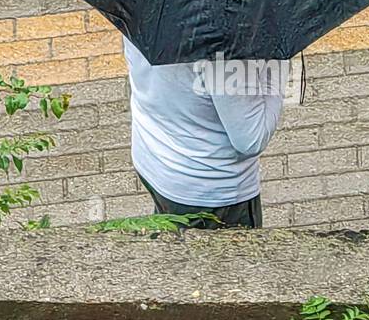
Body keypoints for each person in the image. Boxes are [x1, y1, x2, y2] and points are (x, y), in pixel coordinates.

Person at [123, 37, 289, 229]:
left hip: (153, 157)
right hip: (209, 191)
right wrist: (279, 60)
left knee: (172, 244)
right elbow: (252, 140)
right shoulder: (224, 41)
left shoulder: (145, 10)